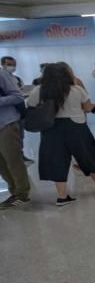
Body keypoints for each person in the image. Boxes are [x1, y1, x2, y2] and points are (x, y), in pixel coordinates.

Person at [25, 63, 95, 205]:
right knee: (87, 155)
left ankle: (62, 196)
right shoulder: (76, 89)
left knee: (57, 160)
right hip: (76, 127)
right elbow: (88, 107)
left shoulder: (40, 90)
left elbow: (30, 104)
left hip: (51, 129)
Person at [0, 59, 30, 209]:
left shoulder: (2, 74)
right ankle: (14, 192)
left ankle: (22, 194)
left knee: (13, 160)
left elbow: (17, 97)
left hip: (6, 123)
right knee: (2, 164)